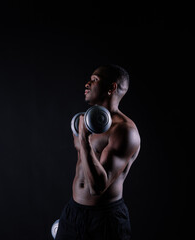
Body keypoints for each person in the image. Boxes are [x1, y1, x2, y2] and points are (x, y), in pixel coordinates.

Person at [55, 64, 141, 240]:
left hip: (105, 221)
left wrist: (84, 141)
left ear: (112, 87)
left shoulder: (125, 131)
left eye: (94, 80)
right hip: (74, 212)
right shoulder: (87, 122)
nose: (87, 84)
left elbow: (97, 187)